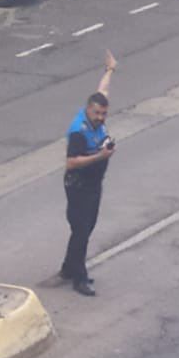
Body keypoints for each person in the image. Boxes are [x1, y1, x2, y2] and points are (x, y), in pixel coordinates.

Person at [60, 51, 118, 296]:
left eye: (104, 114)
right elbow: (72, 163)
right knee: (82, 229)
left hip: (94, 183)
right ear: (88, 110)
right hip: (78, 184)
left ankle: (68, 268)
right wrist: (100, 156)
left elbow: (102, 91)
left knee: (85, 227)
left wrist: (110, 70)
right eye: (97, 114)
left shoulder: (96, 114)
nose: (101, 118)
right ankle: (79, 278)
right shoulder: (79, 131)